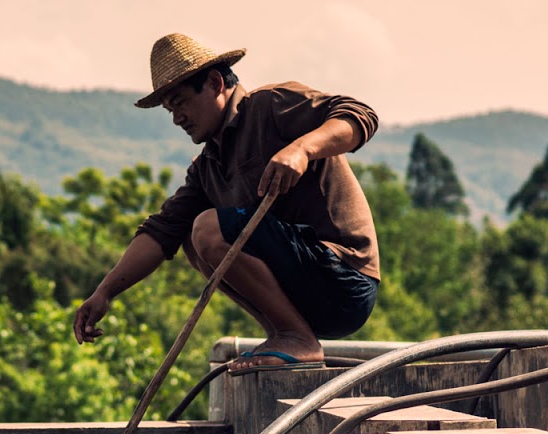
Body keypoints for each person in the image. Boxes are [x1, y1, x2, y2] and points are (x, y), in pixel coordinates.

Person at [72, 33, 381, 375]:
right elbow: (160, 232)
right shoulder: (208, 166)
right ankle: (284, 333)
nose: (177, 118)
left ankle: (296, 337)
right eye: (170, 110)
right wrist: (104, 293)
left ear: (216, 83)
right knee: (192, 238)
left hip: (344, 280)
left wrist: (302, 149)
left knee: (208, 228)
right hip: (307, 297)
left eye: (181, 102)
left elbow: (359, 114)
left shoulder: (271, 105)